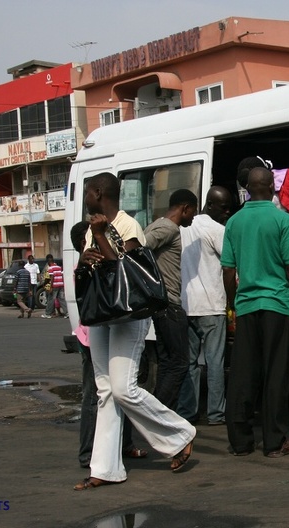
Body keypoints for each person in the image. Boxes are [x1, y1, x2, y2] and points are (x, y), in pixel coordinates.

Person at [73, 172, 196, 490]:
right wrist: (86, 259)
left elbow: (123, 269)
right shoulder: (91, 227)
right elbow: (96, 269)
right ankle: (105, 469)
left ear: (98, 193)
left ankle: (179, 434)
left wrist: (101, 238)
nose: (85, 198)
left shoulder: (128, 225)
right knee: (105, 392)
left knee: (124, 388)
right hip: (101, 315)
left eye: (87, 192)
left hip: (130, 315)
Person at [221, 166, 289, 458]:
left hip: (247, 306)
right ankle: (274, 442)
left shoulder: (234, 222)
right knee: (276, 373)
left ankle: (240, 441)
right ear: (272, 187)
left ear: (247, 189)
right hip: (277, 305)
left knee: (243, 374)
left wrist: (233, 302)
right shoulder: (282, 220)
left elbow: (229, 269)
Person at [70, 221, 146, 469]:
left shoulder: (94, 263)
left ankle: (117, 450)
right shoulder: (85, 266)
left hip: (100, 331)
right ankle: (89, 454)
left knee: (114, 392)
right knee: (99, 396)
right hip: (91, 336)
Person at [178, 186, 233, 426]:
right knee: (215, 363)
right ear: (210, 205)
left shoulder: (181, 228)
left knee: (190, 364)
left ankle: (188, 412)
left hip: (186, 304)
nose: (228, 212)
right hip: (212, 305)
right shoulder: (216, 230)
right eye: (224, 208)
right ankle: (216, 414)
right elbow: (231, 264)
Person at [144, 189, 199, 411]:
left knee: (167, 362)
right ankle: (159, 413)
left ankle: (159, 411)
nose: (193, 217)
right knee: (180, 363)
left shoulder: (157, 224)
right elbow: (138, 246)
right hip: (169, 304)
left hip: (160, 305)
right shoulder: (168, 228)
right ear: (184, 208)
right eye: (193, 212)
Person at [42, 254, 67, 319]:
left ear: (48, 261)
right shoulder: (59, 267)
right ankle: (67, 313)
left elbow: (52, 277)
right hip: (61, 285)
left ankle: (48, 314)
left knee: (51, 300)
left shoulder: (50, 268)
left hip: (55, 285)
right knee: (62, 299)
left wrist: (51, 287)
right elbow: (62, 276)